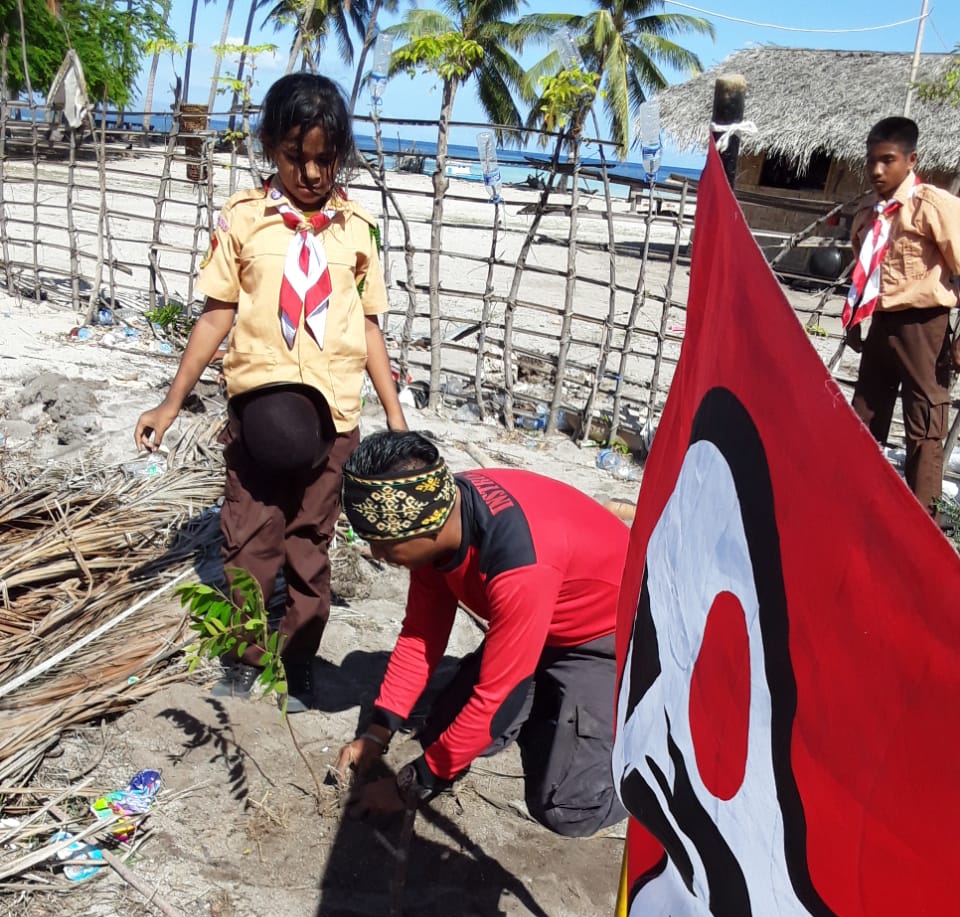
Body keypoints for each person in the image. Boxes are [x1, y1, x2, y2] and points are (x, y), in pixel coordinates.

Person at [134, 74, 408, 711]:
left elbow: (367, 326)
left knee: (312, 545)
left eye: (324, 157)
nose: (310, 172)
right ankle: (242, 653)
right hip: (258, 415)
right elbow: (215, 315)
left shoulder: (358, 231)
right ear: (270, 149)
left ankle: (300, 658)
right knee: (249, 540)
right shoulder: (242, 220)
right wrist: (172, 403)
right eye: (295, 156)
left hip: (335, 419)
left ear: (340, 153)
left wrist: (394, 418)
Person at [334, 431, 629, 839]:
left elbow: (495, 701)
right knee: (442, 733)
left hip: (604, 636)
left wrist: (410, 785)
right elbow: (421, 635)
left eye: (384, 546)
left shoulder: (518, 562)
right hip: (539, 619)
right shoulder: (440, 513)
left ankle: (647, 761)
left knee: (568, 808)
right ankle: (548, 699)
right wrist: (376, 732)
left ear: (427, 528)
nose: (379, 556)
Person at [844, 116, 960, 518]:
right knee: (865, 415)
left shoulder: (932, 206)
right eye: (871, 161)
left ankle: (922, 518)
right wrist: (855, 318)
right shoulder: (868, 211)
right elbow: (863, 269)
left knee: (924, 421)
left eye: (887, 160)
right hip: (881, 324)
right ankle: (856, 503)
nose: (876, 170)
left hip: (924, 325)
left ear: (911, 160)